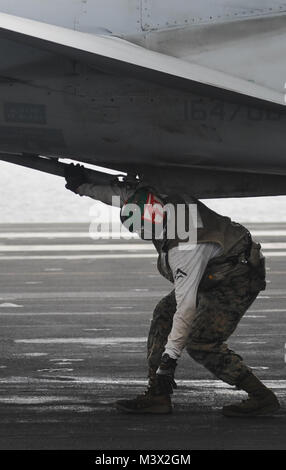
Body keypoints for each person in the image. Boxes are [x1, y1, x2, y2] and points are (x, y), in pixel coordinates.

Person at [64, 164, 280, 417]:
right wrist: (82, 186)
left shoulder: (185, 248)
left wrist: (169, 361)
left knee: (201, 342)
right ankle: (158, 395)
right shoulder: (155, 198)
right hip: (213, 269)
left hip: (235, 278)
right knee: (164, 313)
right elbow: (120, 195)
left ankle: (261, 396)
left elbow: (186, 307)